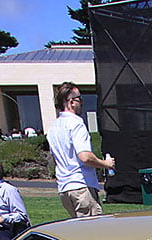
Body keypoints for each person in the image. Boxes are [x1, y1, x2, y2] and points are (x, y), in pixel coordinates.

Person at [48, 82, 115, 218]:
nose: (82, 103)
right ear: (71, 102)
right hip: (81, 187)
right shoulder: (76, 123)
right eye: (79, 99)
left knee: (78, 232)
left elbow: (54, 160)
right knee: (93, 233)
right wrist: (106, 164)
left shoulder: (53, 128)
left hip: (65, 190)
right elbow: (85, 157)